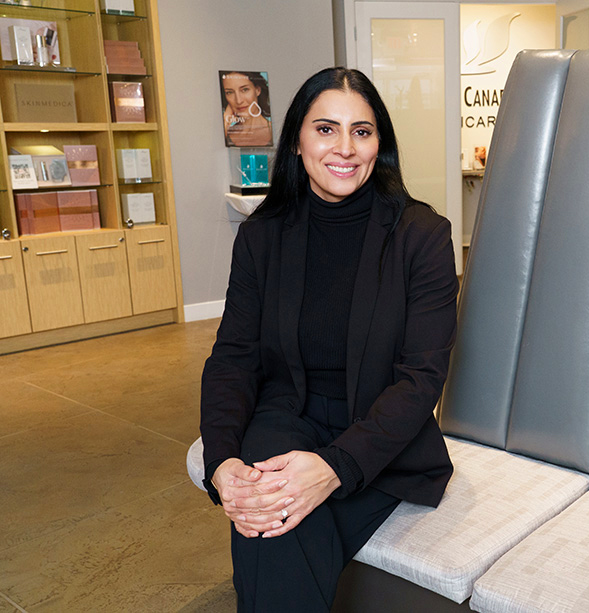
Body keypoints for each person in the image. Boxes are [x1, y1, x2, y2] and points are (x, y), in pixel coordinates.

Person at [200, 67, 458, 611]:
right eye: (325, 129)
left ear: (379, 144)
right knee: (271, 513)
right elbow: (234, 358)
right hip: (285, 417)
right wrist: (221, 463)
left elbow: (421, 380)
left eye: (361, 132)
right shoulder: (262, 236)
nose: (345, 148)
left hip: (379, 437)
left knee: (276, 532)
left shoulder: (422, 237)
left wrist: (335, 466)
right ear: (297, 141)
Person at [221, 71, 273, 147]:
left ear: (257, 90)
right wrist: (225, 122)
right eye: (230, 92)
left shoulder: (277, 130)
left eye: (245, 90)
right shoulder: (226, 134)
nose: (239, 101)